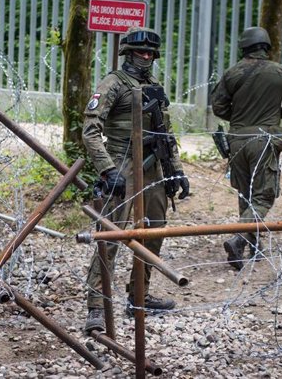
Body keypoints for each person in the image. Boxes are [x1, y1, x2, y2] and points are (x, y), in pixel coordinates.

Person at [82, 26, 190, 333]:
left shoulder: (154, 85)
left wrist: (176, 170)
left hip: (154, 165)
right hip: (122, 162)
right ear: (128, 53)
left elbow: (166, 134)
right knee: (111, 235)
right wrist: (107, 169)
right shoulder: (113, 84)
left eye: (150, 53)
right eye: (140, 52)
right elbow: (90, 131)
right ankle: (96, 306)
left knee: (154, 232)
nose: (146, 57)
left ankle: (138, 296)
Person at [211, 27, 282, 270]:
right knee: (264, 195)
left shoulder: (232, 73)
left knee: (245, 192)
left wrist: (240, 116)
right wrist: (272, 114)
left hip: (237, 139)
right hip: (265, 139)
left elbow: (218, 107)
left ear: (244, 47)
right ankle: (240, 238)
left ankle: (253, 245)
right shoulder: (280, 72)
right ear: (266, 46)